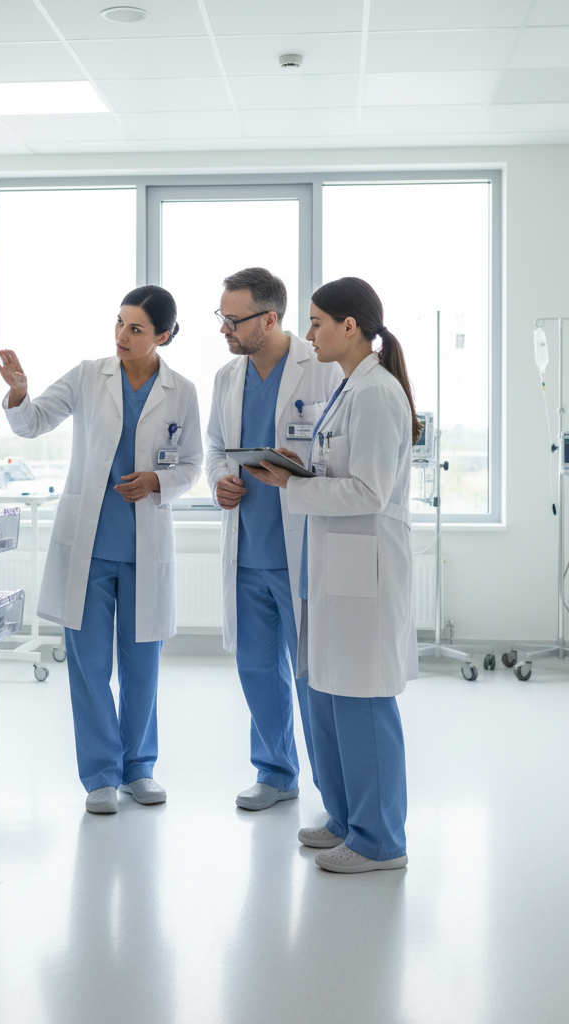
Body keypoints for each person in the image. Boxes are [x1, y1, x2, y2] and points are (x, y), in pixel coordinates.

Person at [0, 285, 202, 814]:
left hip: (143, 543)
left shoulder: (182, 390)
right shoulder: (90, 375)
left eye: (136, 328)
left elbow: (192, 464)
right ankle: (101, 775)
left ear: (164, 336)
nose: (121, 336)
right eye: (119, 323)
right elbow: (34, 421)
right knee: (88, 666)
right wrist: (19, 391)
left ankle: (140, 768)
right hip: (88, 544)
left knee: (141, 665)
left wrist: (157, 480)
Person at [251, 276, 419, 873]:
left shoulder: (376, 393)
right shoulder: (351, 387)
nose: (311, 332)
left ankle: (381, 843)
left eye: (318, 322)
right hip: (335, 568)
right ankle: (348, 820)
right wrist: (301, 472)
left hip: (364, 573)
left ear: (351, 327)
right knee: (328, 693)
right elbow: (341, 472)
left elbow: (371, 490)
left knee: (363, 701)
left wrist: (297, 484)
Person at [205, 268, 341, 812]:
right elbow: (215, 448)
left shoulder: (321, 369)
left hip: (302, 552)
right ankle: (275, 771)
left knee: (313, 677)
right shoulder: (226, 378)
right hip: (248, 551)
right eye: (221, 317)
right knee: (258, 670)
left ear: (270, 318)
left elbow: (338, 453)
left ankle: (333, 790)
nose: (224, 329)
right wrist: (220, 479)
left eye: (232, 320)